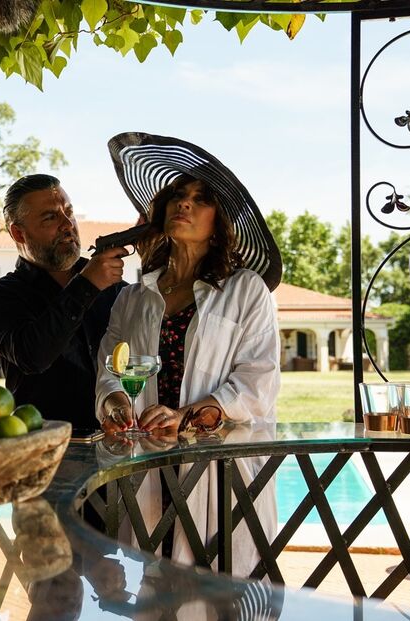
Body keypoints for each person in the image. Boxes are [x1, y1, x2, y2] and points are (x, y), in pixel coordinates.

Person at [95, 132, 282, 578]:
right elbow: (110, 366)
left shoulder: (245, 291)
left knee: (221, 586)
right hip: (149, 462)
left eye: (201, 199)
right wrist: (116, 403)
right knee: (153, 581)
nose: (185, 203)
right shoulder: (134, 297)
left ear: (219, 223)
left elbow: (257, 382)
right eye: (179, 194)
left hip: (220, 471)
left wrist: (186, 416)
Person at [0, 174, 129, 432]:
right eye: (50, 217)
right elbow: (32, 356)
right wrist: (86, 286)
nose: (67, 224)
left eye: (69, 212)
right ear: (18, 233)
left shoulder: (115, 288)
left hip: (120, 443)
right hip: (44, 444)